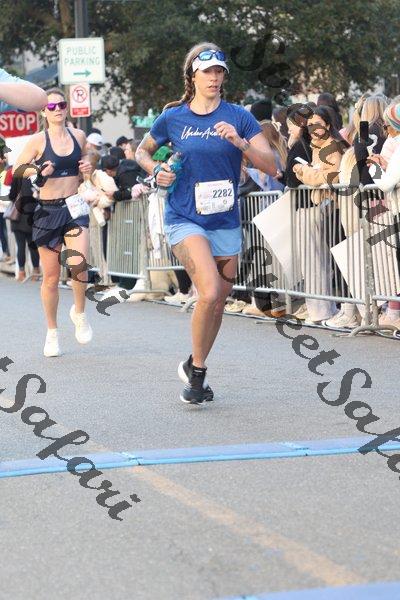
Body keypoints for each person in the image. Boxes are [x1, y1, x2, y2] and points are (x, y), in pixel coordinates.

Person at [135, 42, 276, 404]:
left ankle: (193, 362)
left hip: (224, 220)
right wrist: (157, 170)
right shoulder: (173, 118)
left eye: (219, 72)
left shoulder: (239, 116)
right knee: (209, 292)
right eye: (207, 72)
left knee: (218, 302)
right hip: (184, 218)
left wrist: (241, 143)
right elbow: (142, 151)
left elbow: (272, 165)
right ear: (192, 76)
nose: (214, 78)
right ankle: (197, 375)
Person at [13, 87, 93, 357]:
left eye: (61, 105)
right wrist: (38, 170)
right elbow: (17, 169)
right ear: (43, 112)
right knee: (50, 277)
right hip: (47, 211)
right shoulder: (38, 140)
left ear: (66, 108)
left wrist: (87, 165)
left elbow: (88, 154)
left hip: (74, 207)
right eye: (51, 107)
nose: (57, 110)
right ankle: (52, 332)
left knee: (79, 264)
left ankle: (79, 313)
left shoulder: (78, 135)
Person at [293, 106, 348, 324]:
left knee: (341, 260)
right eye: (310, 125)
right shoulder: (316, 147)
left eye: (317, 124)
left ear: (327, 125)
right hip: (323, 206)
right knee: (329, 260)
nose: (313, 128)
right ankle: (335, 309)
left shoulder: (332, 146)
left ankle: (349, 310)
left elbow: (328, 177)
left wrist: (302, 171)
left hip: (334, 207)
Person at [8, 173, 41, 282]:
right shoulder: (37, 176)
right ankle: (36, 271)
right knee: (33, 246)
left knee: (20, 245)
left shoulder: (17, 176)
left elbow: (12, 195)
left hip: (18, 216)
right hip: (32, 216)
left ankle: (21, 273)